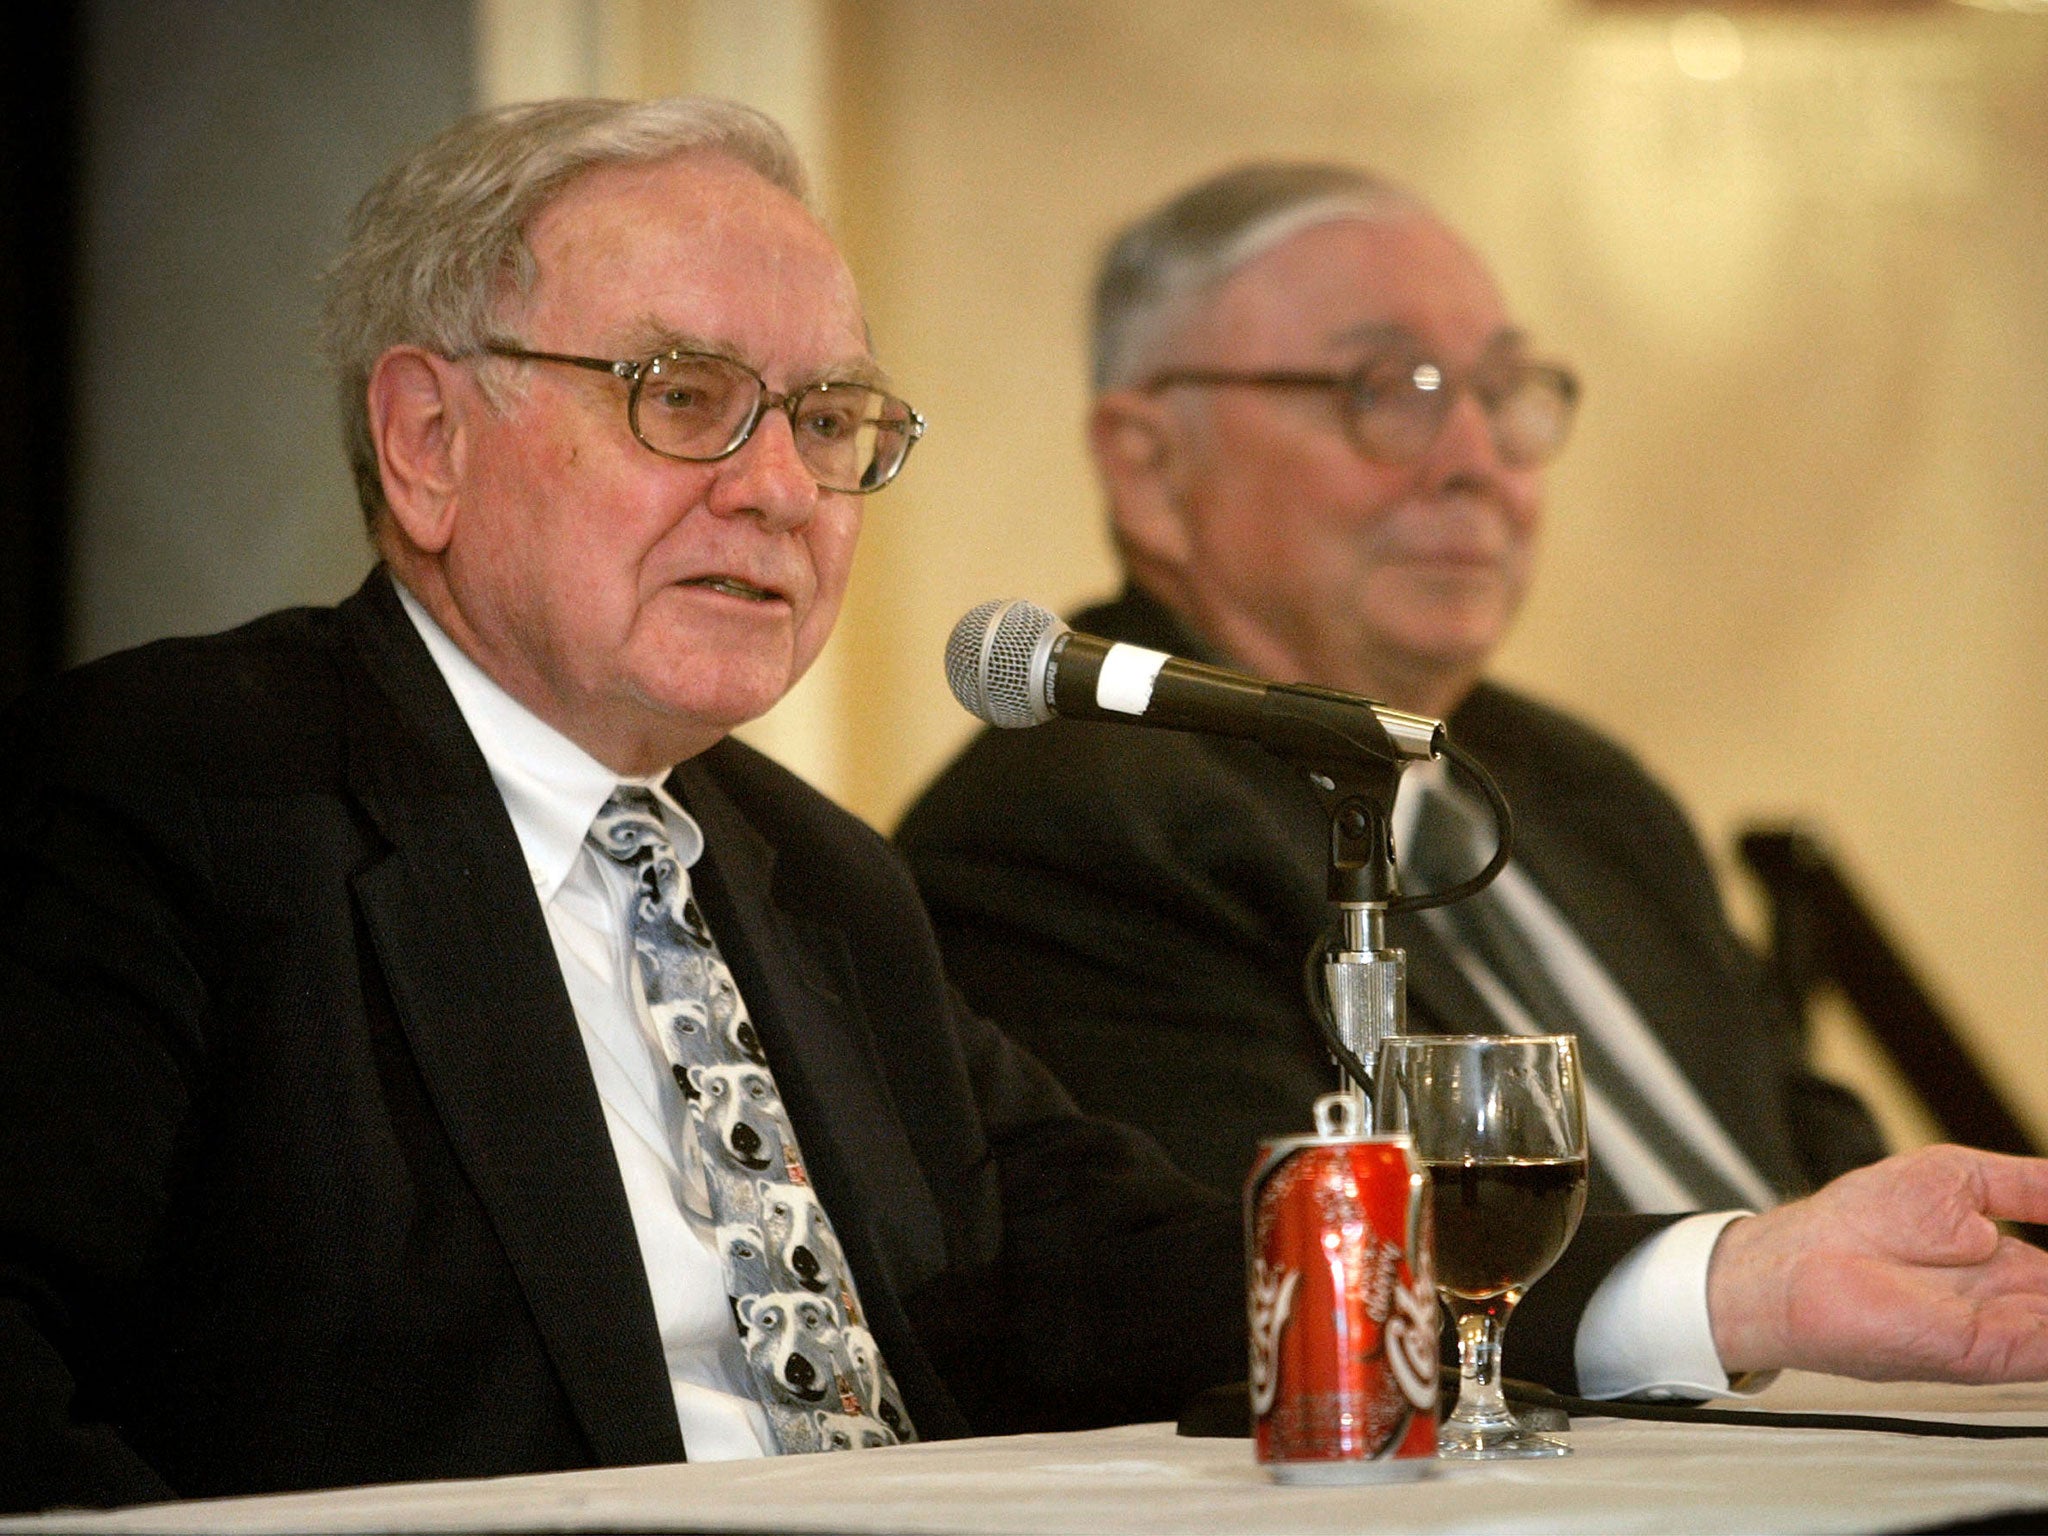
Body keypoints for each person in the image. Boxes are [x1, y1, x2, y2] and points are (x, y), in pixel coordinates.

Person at [0, 98, 1244, 1513]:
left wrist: (1473, 1294)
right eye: (685, 397)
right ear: (427, 441)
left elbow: (1103, 1266)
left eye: (828, 421)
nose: (780, 490)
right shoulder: (174, 791)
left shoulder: (822, 876)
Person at [898, 163, 2048, 1399]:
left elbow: (1805, 1150)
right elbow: (1270, 1310)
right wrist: (1743, 1297)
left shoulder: (1576, 784)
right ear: (1145, 465)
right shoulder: (1071, 826)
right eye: (1381, 392)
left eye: (1502, 394)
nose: (1474, 461)